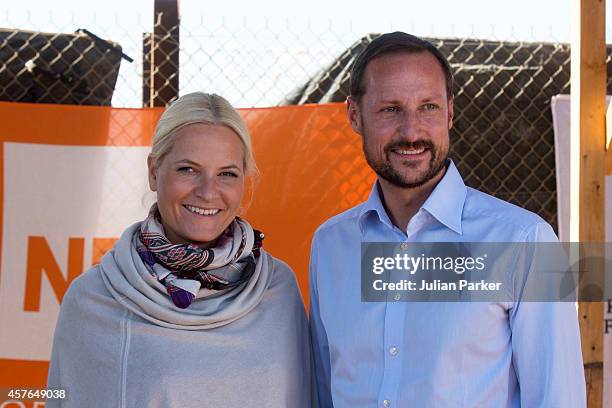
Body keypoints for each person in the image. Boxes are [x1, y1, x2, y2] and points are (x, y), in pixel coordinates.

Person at [309, 32, 586, 407]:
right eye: (391, 109)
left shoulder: (527, 241)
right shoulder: (330, 244)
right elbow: (325, 391)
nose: (411, 131)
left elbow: (559, 399)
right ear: (354, 116)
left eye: (428, 107)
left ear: (450, 112)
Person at [47, 92, 312, 407]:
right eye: (188, 169)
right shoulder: (94, 298)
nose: (207, 192)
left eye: (227, 174)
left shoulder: (277, 289)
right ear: (153, 172)